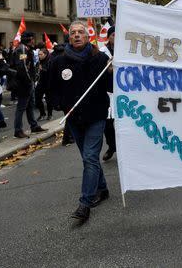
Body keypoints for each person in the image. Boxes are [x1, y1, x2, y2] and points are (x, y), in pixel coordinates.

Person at [49, 21, 111, 223]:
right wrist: (59, 104)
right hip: (74, 118)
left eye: (80, 32)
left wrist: (112, 71)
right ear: (69, 37)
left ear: (87, 36)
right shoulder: (58, 61)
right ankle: (102, 189)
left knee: (91, 157)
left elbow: (110, 86)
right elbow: (51, 87)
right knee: (88, 158)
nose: (76, 35)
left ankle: (85, 203)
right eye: (73, 32)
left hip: (96, 115)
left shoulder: (100, 59)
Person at [99, 26, 116, 161]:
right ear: (109, 37)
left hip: (124, 92)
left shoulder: (128, 50)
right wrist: (108, 69)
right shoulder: (102, 52)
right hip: (108, 92)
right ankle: (112, 146)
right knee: (108, 124)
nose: (115, 38)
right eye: (113, 35)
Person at [35, 47, 52, 121]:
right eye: (38, 54)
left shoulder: (50, 61)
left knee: (48, 99)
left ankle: (50, 114)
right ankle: (42, 113)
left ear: (45, 54)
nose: (39, 56)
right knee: (37, 98)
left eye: (41, 54)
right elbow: (36, 70)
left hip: (48, 83)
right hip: (40, 82)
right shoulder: (39, 61)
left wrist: (43, 69)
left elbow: (50, 72)